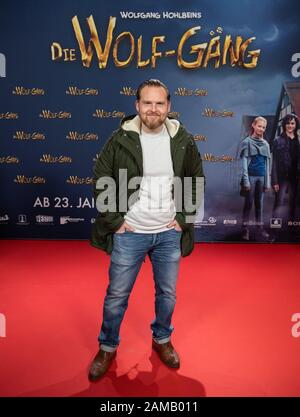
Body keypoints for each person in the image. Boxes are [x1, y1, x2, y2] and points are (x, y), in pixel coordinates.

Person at [89, 79, 204, 381]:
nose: (153, 110)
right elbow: (101, 174)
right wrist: (115, 220)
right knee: (116, 295)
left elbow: (195, 177)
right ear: (137, 106)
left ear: (169, 107)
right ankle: (107, 346)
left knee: (167, 294)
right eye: (147, 103)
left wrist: (184, 217)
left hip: (169, 233)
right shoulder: (120, 138)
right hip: (131, 232)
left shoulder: (182, 139)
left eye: (160, 104)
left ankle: (162, 339)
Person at [240, 116, 271, 241]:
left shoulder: (266, 144)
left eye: (263, 127)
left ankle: (260, 228)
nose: (261, 129)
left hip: (262, 178)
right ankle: (245, 230)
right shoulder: (246, 142)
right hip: (251, 177)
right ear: (253, 125)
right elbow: (244, 163)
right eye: (259, 126)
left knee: (260, 205)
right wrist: (246, 180)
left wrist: (267, 182)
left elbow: (268, 164)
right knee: (248, 204)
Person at [271, 113, 300, 223]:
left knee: (293, 204)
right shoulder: (277, 141)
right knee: (278, 202)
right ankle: (274, 229)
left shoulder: (298, 141)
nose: (290, 125)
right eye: (287, 123)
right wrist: (275, 181)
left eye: (292, 123)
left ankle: (292, 228)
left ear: (296, 125)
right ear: (284, 125)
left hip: (295, 177)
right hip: (281, 177)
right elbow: (274, 163)